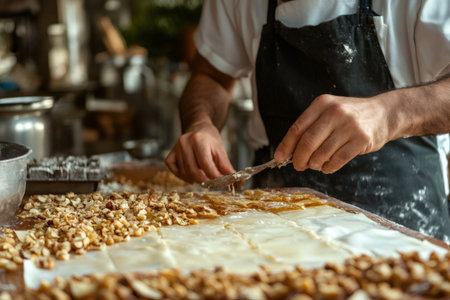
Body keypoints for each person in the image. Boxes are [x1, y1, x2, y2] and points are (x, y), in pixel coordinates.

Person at [165, 0, 450, 242]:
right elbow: (211, 75)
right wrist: (200, 122)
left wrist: (388, 113)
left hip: (399, 232)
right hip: (270, 231)